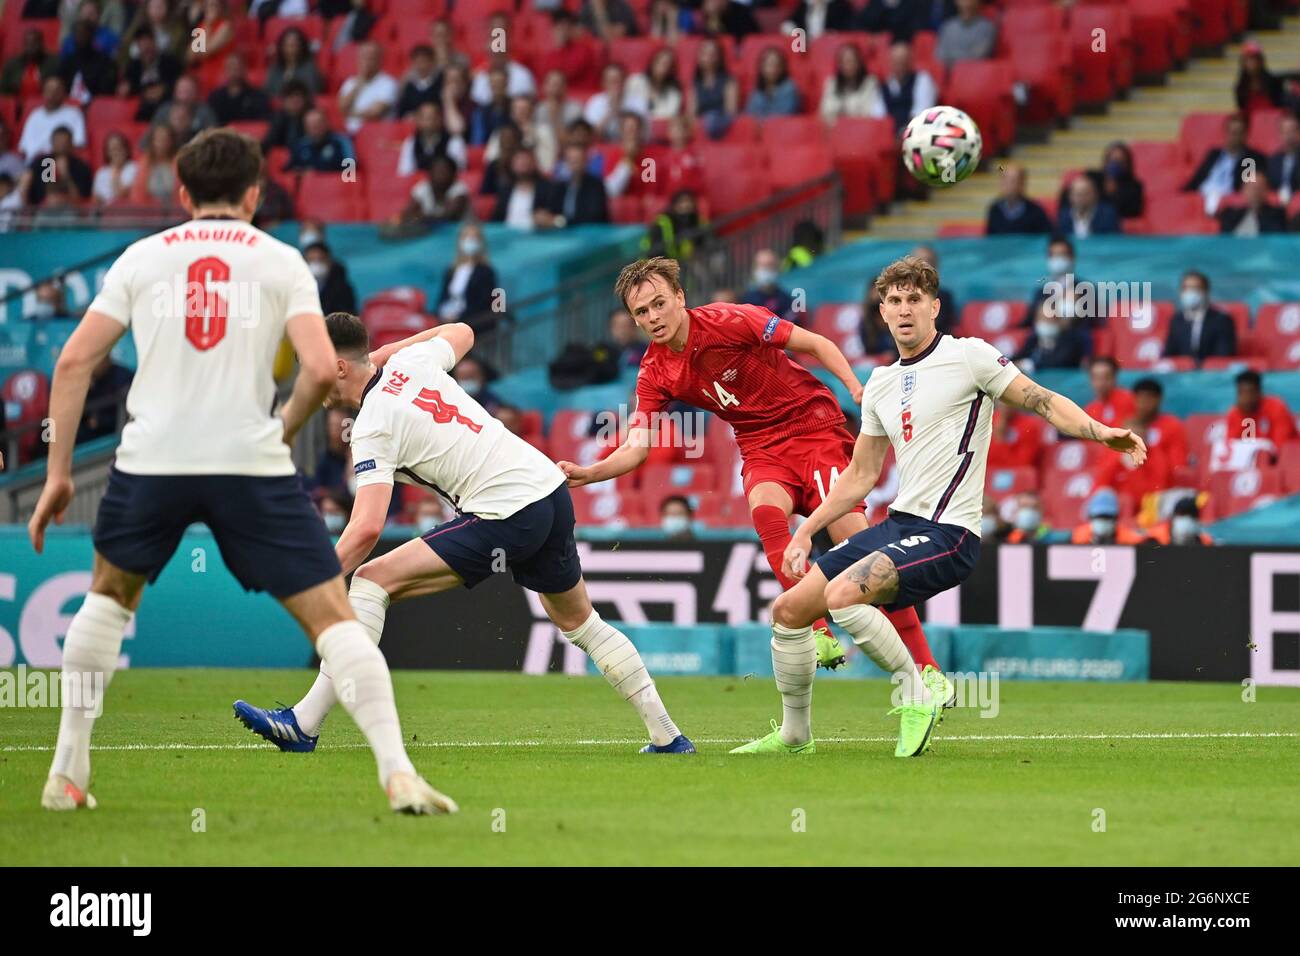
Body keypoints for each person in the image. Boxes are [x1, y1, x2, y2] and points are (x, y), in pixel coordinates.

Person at [28, 128, 449, 815]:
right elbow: (319, 369)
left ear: (184, 192)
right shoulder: (282, 262)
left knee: (107, 601)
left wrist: (58, 475)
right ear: (254, 194)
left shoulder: (141, 257)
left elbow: (74, 361)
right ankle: (397, 772)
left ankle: (66, 774)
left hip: (152, 458)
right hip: (247, 463)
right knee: (333, 618)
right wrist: (279, 432)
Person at [731, 255, 1146, 757]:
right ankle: (796, 736)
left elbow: (1040, 399)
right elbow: (861, 475)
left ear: (934, 306)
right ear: (882, 312)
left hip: (951, 533)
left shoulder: (969, 356)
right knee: (789, 609)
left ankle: (917, 690)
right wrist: (806, 531)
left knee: (843, 596)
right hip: (900, 523)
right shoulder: (880, 384)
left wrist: (1099, 430)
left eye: (914, 300)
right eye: (894, 301)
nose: (904, 310)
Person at [234, 313, 696, 755]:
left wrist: (314, 580)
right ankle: (668, 735)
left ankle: (304, 722)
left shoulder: (372, 424)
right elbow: (463, 331)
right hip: (548, 491)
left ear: (336, 366)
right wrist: (382, 357)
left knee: (371, 581)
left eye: (313, 369)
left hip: (507, 510)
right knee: (582, 624)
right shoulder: (412, 362)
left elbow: (367, 527)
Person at [560, 256, 953, 691]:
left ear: (680, 297)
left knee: (864, 557)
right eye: (641, 312)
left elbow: (816, 344)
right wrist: (589, 472)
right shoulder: (655, 371)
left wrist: (855, 389)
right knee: (766, 515)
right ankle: (818, 631)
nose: (653, 318)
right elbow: (637, 447)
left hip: (813, 428)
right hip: (759, 446)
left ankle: (928, 669)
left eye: (658, 304)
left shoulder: (731, 320)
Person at [1182, 113, 1267, 215]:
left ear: (1245, 135)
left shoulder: (1250, 158)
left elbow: (1245, 187)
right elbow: (1197, 179)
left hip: (1226, 200)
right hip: (1201, 196)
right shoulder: (1213, 154)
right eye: (1230, 132)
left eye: (1237, 133)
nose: (1232, 137)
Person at [435, 223, 500, 330]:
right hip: (448, 322)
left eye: (474, 237)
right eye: (466, 237)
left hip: (472, 325)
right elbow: (443, 297)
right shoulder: (451, 270)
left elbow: (484, 302)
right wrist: (442, 314)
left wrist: (459, 318)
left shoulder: (486, 271)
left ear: (480, 242)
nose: (470, 241)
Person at [1163, 270, 1237, 363]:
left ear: (1206, 291)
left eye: (1195, 288)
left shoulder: (1221, 320)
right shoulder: (1177, 320)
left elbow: (1223, 356)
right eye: (1186, 288)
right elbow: (1168, 355)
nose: (1190, 292)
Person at [1224, 369, 1296, 455]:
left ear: (1259, 392)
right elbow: (1231, 447)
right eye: (1241, 393)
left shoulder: (1277, 407)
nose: (1245, 398)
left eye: (1249, 392)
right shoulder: (1235, 413)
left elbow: (1281, 446)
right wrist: (1244, 414)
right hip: (1255, 464)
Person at [18, 75, 86, 161]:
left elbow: (78, 144)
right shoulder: (34, 115)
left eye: (57, 90)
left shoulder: (74, 114)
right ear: (43, 92)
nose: (53, 93)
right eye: (49, 90)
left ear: (64, 93)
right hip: (31, 164)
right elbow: (23, 148)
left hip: (53, 161)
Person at [1013, 299, 1091, 372]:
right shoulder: (1033, 339)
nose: (1044, 322)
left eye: (1049, 319)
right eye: (1041, 318)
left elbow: (1060, 362)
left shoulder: (1072, 339)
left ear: (1059, 319)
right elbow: (1019, 356)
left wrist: (1031, 365)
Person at [877, 40, 937, 133]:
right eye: (896, 60)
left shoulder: (922, 80)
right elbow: (879, 117)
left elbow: (921, 115)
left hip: (916, 134)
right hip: (889, 136)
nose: (899, 65)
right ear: (890, 62)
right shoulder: (884, 86)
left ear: (910, 61)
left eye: (903, 60)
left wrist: (904, 133)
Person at [818, 42, 883, 125]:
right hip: (835, 131)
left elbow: (869, 114)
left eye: (851, 61)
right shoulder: (831, 84)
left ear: (859, 63)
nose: (848, 65)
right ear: (839, 64)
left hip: (862, 132)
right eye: (844, 61)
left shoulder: (870, 83)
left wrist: (841, 116)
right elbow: (824, 113)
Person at [1130, 378, 1188, 471]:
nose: (1144, 403)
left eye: (1148, 398)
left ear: (1159, 399)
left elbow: (1178, 464)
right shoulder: (1128, 426)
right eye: (1140, 398)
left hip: (1165, 481)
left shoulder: (1172, 426)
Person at [986, 163, 1052, 235]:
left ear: (1022, 184)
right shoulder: (994, 210)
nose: (1008, 185)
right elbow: (990, 240)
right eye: (1005, 180)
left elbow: (1046, 237)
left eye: (1013, 181)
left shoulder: (1035, 212)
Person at [1069, 488, 1148, 544]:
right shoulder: (1079, 537)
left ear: (1116, 517)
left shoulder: (1129, 539)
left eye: (1108, 517)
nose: (1103, 521)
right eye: (1098, 517)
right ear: (1090, 517)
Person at [936, 0, 996, 69]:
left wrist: (951, 59)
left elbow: (978, 56)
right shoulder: (947, 27)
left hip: (974, 75)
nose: (966, 3)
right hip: (947, 75)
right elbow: (939, 56)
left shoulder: (987, 28)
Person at [303, 241, 358, 316]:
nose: (316, 264)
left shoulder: (343, 289)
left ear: (329, 261)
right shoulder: (296, 287)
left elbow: (347, 317)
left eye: (320, 259)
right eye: (311, 260)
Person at [740, 248, 794, 323]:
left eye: (770, 265)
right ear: (754, 269)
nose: (766, 270)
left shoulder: (786, 299)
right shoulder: (746, 299)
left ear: (778, 268)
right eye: (762, 266)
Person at [1217, 178, 1287, 235]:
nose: (1255, 192)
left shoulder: (1277, 215)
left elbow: (1276, 238)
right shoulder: (1230, 214)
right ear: (1244, 190)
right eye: (1251, 188)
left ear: (1266, 190)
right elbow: (1225, 240)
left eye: (1259, 188)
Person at [746, 47, 800, 118]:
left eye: (776, 64)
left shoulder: (789, 88)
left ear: (782, 67)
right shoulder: (757, 91)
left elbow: (783, 117)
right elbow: (749, 116)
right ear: (761, 67)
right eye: (769, 64)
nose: (772, 68)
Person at [1083, 355, 1135, 426]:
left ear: (1114, 377)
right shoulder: (1089, 410)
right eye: (1095, 377)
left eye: (1106, 377)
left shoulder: (1131, 400)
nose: (1100, 383)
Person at [1147, 496, 1213, 546]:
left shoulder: (1204, 541)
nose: (1186, 520)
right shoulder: (1155, 537)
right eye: (1182, 515)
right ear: (1174, 517)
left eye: (1190, 516)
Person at [1267, 114, 1300, 203]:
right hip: (1276, 205)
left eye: (1292, 131)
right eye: (1285, 132)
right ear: (1280, 134)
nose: (1289, 136)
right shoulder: (1273, 160)